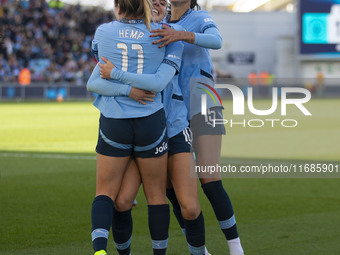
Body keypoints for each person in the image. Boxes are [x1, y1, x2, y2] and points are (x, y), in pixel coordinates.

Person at [88, 1, 206, 254]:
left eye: (163, 3)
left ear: (119, 7)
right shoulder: (167, 37)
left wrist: (120, 79)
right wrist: (132, 89)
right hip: (151, 123)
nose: (158, 6)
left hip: (118, 122)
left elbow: (95, 82)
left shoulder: (104, 32)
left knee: (109, 193)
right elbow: (158, 82)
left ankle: (100, 248)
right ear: (144, 7)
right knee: (142, 197)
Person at [150, 0, 245, 254]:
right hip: (172, 111)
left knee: (210, 178)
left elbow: (216, 40)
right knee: (171, 186)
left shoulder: (199, 17)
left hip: (204, 102)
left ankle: (236, 248)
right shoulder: (161, 22)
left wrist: (180, 34)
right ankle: (199, 249)